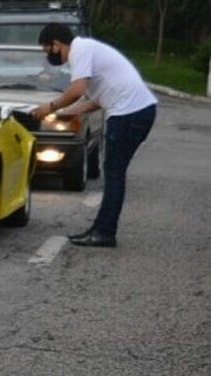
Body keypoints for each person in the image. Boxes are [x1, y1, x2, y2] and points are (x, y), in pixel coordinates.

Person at [30, 24, 157, 247]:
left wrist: (50, 107)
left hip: (128, 113)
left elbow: (78, 89)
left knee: (114, 173)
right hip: (138, 112)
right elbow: (95, 99)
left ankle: (104, 232)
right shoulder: (87, 50)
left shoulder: (80, 50)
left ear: (56, 44)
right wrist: (66, 113)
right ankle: (101, 228)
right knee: (114, 172)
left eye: (47, 50)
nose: (48, 55)